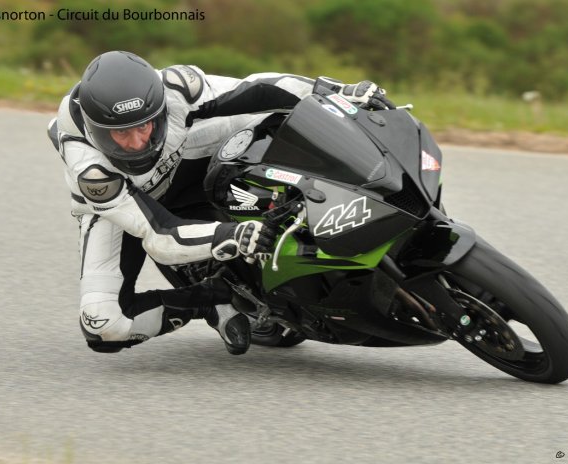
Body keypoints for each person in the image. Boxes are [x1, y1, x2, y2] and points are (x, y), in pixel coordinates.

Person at [48, 50, 391, 355]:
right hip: (127, 206)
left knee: (271, 117)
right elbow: (160, 234)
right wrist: (233, 235)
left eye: (145, 126)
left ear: (159, 108)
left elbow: (257, 88)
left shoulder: (177, 89)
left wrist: (334, 91)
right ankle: (210, 299)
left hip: (186, 153)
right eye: (121, 133)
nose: (137, 143)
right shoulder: (91, 170)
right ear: (96, 131)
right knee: (104, 325)